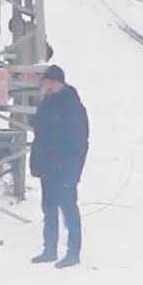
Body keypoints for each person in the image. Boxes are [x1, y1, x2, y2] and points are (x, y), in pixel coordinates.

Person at [29, 65, 89, 269]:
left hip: (65, 167)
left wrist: (73, 173)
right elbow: (39, 130)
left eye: (49, 83)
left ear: (58, 83)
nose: (46, 86)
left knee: (69, 208)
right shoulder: (46, 103)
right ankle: (50, 249)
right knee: (49, 208)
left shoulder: (72, 106)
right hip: (48, 165)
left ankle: (73, 252)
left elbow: (79, 142)